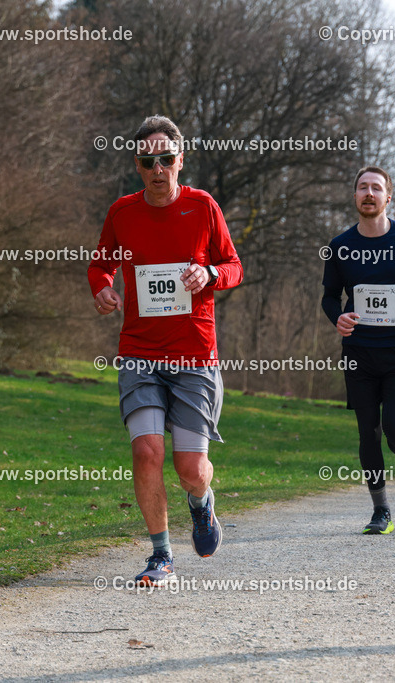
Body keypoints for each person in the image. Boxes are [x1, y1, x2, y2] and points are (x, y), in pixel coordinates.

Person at [88, 115, 243, 586]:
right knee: (147, 452)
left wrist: (210, 276)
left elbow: (233, 265)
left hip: (194, 354)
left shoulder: (203, 207)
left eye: (166, 159)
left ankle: (201, 503)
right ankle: (161, 556)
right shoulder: (122, 212)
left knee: (191, 469)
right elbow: (101, 264)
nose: (158, 168)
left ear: (181, 160)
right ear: (137, 165)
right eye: (148, 160)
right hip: (139, 352)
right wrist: (103, 288)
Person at [322, 166, 395, 535]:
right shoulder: (340, 246)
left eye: (376, 188)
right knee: (368, 433)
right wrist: (337, 317)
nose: (368, 194)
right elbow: (329, 296)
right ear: (355, 197)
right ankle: (380, 511)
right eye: (362, 188)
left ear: (389, 197)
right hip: (359, 352)